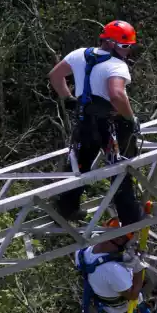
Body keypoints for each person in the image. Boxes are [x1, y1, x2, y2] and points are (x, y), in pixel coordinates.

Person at [48, 20, 142, 225]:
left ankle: (66, 209)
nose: (128, 51)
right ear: (109, 43)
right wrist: (130, 118)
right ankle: (130, 217)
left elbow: (55, 76)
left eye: (129, 47)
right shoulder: (117, 66)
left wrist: (69, 99)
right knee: (120, 168)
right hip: (110, 126)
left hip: (84, 121)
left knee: (79, 166)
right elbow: (117, 95)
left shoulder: (79, 54)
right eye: (125, 46)